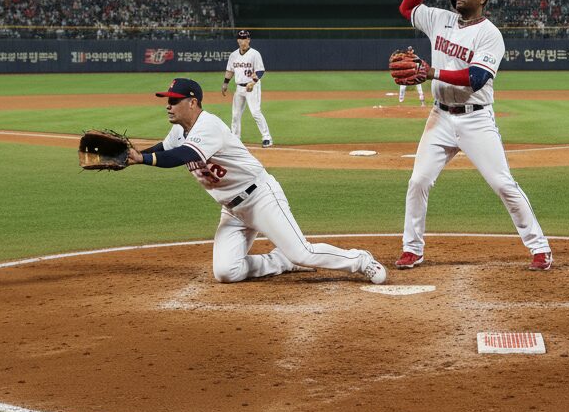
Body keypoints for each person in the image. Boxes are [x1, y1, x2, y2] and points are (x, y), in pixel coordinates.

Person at [126, 78, 386, 284]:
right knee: (226, 272)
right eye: (167, 100)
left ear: (192, 103)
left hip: (260, 197)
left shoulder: (209, 126)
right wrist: (131, 156)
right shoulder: (179, 130)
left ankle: (360, 260)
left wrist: (142, 160)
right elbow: (164, 148)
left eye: (174, 100)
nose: (168, 105)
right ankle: (280, 262)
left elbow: (183, 155)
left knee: (303, 253)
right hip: (232, 209)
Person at [394, 0, 553, 271]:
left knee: (503, 184)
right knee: (418, 181)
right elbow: (407, 8)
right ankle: (412, 249)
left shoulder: (490, 35)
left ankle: (540, 247)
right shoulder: (440, 19)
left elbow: (477, 77)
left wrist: (432, 72)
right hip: (439, 117)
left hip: (475, 121)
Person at [221, 29, 273, 147]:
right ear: (238, 40)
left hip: (252, 87)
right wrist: (225, 83)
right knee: (235, 114)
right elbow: (230, 70)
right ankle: (235, 138)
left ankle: (267, 138)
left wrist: (253, 82)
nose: (243, 41)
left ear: (249, 40)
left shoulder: (255, 54)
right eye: (241, 38)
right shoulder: (233, 55)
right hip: (239, 88)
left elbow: (260, 71)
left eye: (245, 38)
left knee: (255, 112)